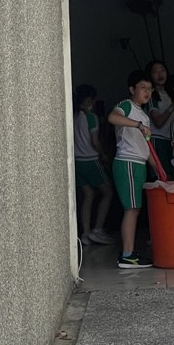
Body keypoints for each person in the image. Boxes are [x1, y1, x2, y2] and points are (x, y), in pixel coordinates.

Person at [108, 71, 155, 269]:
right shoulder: (127, 105)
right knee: (132, 208)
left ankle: (130, 253)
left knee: (135, 208)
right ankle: (127, 255)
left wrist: (157, 168)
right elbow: (112, 117)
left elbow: (146, 147)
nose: (147, 92)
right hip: (127, 161)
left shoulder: (143, 115)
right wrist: (137, 125)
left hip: (139, 163)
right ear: (132, 89)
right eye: (143, 88)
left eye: (150, 89)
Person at [73, 84, 115, 245]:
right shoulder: (91, 117)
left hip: (77, 161)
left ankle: (85, 233)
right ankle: (98, 229)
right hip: (90, 160)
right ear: (89, 100)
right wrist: (104, 156)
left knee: (88, 195)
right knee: (108, 192)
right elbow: (95, 141)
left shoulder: (73, 116)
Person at [145, 60, 174, 178]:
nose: (160, 74)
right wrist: (173, 104)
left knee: (173, 176)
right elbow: (158, 122)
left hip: (172, 140)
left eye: (162, 70)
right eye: (155, 72)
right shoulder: (150, 96)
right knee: (162, 176)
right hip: (157, 139)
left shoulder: (171, 94)